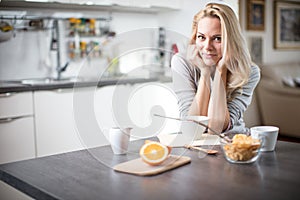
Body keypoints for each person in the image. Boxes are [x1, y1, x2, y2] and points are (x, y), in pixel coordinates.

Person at [171, 2, 260, 134]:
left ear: (231, 40)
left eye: (217, 38)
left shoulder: (249, 72)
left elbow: (217, 128)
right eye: (201, 37)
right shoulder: (182, 63)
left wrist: (221, 70)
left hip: (234, 143)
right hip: (194, 145)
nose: (207, 46)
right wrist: (205, 72)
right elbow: (192, 130)